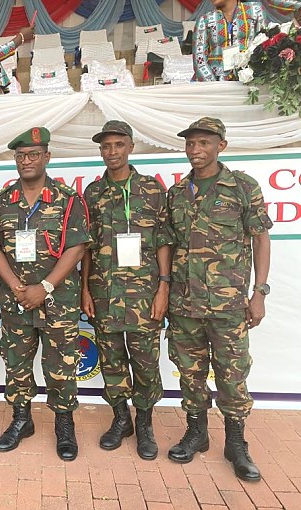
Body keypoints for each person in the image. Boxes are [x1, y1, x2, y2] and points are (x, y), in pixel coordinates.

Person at [166, 117, 272, 482]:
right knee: (190, 373)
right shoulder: (177, 193)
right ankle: (196, 433)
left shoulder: (242, 187)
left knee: (232, 374)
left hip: (228, 305)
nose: (195, 150)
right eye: (190, 143)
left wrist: (259, 293)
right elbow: (171, 246)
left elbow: (260, 239)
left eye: (204, 143)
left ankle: (236, 444)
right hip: (184, 304)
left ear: (220, 146)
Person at [0, 127, 91, 461]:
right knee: (16, 362)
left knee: (61, 365)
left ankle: (64, 425)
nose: (26, 161)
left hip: (57, 300)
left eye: (33, 154)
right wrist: (18, 287)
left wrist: (44, 288)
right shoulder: (3, 200)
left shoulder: (68, 199)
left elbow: (77, 247)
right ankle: (21, 420)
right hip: (16, 301)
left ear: (47, 157)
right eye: (20, 156)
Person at [81, 121, 171, 460]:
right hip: (104, 293)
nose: (112, 152)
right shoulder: (93, 193)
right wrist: (85, 289)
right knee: (112, 361)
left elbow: (164, 241)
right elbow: (86, 246)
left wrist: (163, 288)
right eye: (106, 146)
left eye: (118, 145)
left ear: (131, 147)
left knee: (145, 363)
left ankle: (144, 424)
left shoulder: (151, 189)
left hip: (144, 295)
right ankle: (121, 420)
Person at [193, 0, 301, 81]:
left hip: (248, 79)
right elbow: (199, 61)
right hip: (215, 82)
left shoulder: (254, 11)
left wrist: (256, 77)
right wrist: (213, 87)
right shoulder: (205, 20)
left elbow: (263, 45)